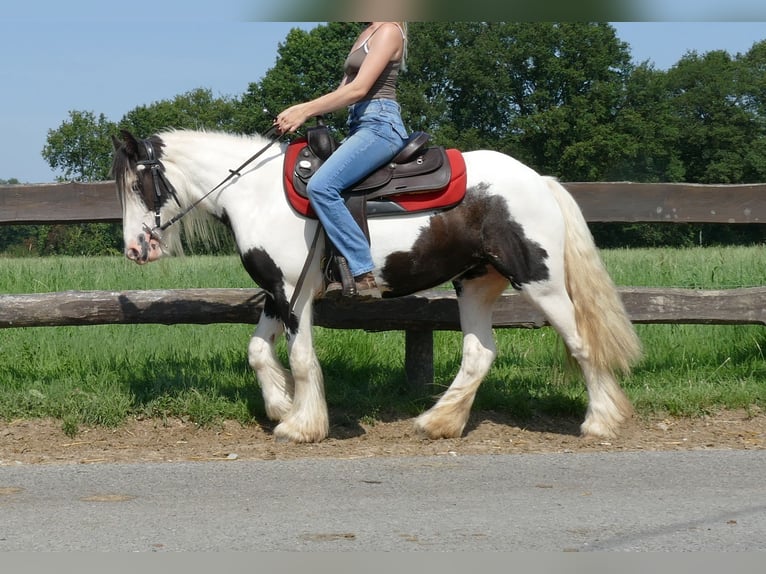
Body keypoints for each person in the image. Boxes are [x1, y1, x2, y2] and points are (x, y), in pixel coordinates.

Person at [274, 22, 409, 299]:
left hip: (380, 125)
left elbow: (358, 90)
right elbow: (342, 93)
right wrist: (300, 113)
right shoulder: (365, 34)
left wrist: (305, 110)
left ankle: (362, 272)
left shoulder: (390, 30)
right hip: (359, 126)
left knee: (322, 186)